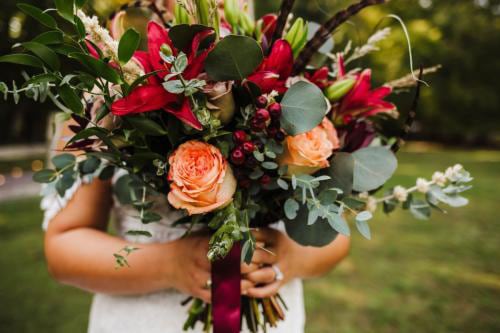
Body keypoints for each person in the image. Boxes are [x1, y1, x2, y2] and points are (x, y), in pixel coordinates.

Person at [42, 1, 351, 332]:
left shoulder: (291, 83)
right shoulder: (108, 90)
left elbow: (338, 235)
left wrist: (291, 258)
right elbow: (63, 250)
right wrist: (170, 266)